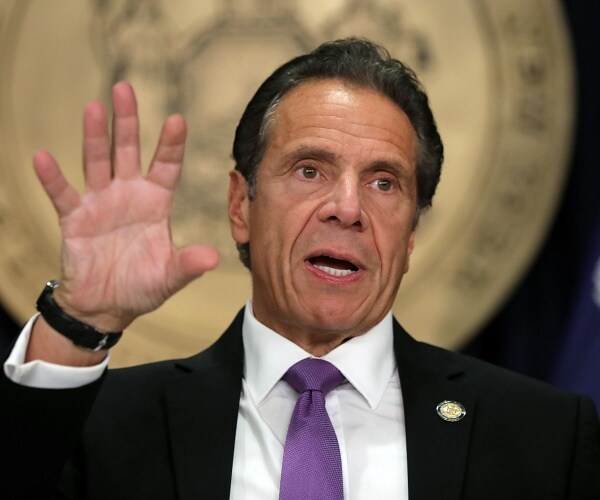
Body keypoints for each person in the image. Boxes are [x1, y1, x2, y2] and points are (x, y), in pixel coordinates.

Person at [1, 37, 599, 499]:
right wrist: (80, 320)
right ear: (241, 206)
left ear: (411, 234)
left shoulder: (542, 436)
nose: (348, 208)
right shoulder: (105, 427)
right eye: (310, 170)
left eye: (384, 182)